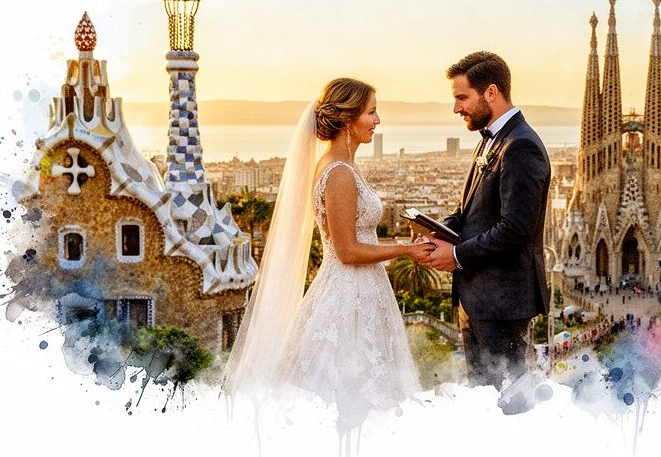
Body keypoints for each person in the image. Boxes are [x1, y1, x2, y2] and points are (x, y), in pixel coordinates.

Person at [222, 78, 434, 434]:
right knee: (352, 399)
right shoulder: (339, 173)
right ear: (348, 119)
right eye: (371, 112)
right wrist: (406, 250)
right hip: (349, 292)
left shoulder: (341, 166)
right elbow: (346, 251)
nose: (377, 120)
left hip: (360, 288)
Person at [420, 51, 551, 414]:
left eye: (462, 97)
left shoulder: (521, 145)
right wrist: (440, 232)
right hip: (478, 300)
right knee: (484, 404)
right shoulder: (492, 139)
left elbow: (516, 229)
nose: (456, 108)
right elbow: (472, 213)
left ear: (491, 92)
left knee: (508, 407)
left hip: (502, 304)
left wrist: (455, 255)